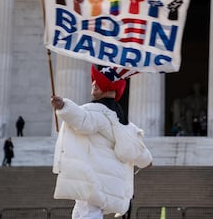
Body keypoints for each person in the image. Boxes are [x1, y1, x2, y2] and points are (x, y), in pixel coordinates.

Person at [50, 64, 153, 219]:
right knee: (81, 212)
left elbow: (84, 120)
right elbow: (137, 147)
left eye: (98, 81)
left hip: (93, 178)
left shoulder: (97, 112)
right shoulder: (122, 121)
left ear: (107, 87)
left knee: (86, 213)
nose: (93, 84)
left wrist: (64, 106)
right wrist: (147, 160)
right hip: (109, 180)